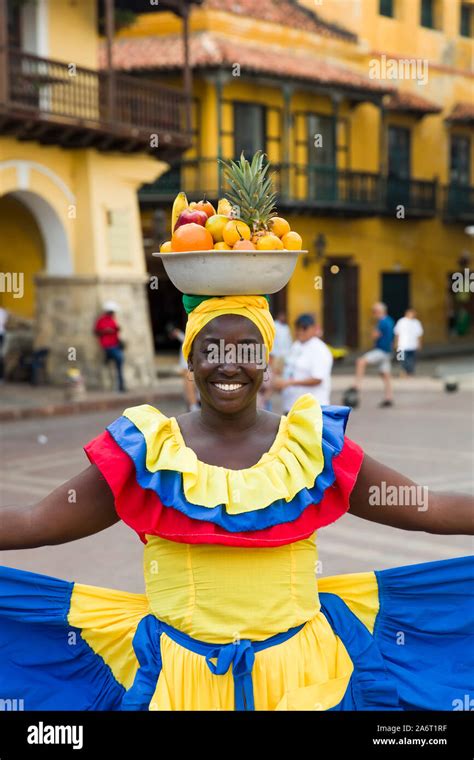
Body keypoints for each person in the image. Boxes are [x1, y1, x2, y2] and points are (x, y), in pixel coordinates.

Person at [0, 293, 472, 711]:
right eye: (210, 350)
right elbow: (33, 522)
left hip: (303, 678)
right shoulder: (147, 454)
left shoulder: (310, 448)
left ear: (267, 361)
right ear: (189, 360)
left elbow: (424, 507)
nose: (229, 365)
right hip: (180, 683)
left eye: (246, 350)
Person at [274, 313, 333, 412]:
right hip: (291, 406)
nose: (300, 332)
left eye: (304, 328)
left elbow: (317, 379)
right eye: (297, 328)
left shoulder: (319, 349)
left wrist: (289, 383)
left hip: (311, 409)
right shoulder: (296, 345)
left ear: (314, 329)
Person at [353, 302, 395, 408]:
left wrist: (373, 331)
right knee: (385, 375)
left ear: (379, 311)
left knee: (360, 362)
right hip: (388, 351)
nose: (373, 314)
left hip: (381, 350)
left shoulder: (381, 322)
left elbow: (375, 335)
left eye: (374, 311)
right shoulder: (390, 320)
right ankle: (388, 397)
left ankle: (357, 386)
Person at [94, 301, 126, 392]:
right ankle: (120, 385)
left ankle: (121, 385)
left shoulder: (113, 319)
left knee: (119, 362)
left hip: (115, 344)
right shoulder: (101, 320)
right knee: (119, 358)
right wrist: (106, 331)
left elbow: (117, 330)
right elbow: (97, 332)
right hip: (107, 345)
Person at [394, 308, 424, 376]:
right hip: (402, 344)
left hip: (412, 344)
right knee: (401, 358)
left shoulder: (416, 322)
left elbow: (419, 334)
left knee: (411, 359)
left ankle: (410, 372)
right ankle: (403, 371)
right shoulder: (401, 321)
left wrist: (419, 344)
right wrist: (396, 343)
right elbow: (397, 333)